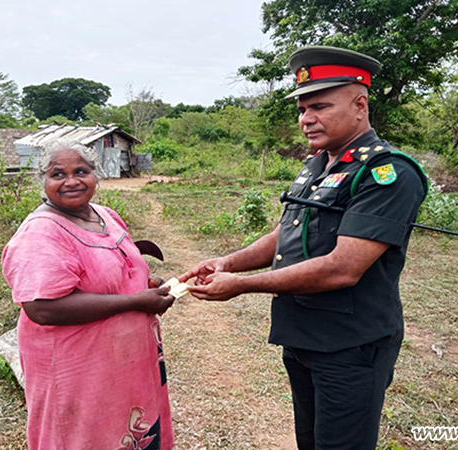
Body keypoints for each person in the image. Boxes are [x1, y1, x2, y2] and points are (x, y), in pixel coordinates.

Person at [179, 46, 428, 450]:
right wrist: (228, 262)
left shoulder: (386, 172)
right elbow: (286, 232)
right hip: (303, 335)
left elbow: (344, 267)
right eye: (302, 109)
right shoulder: (318, 164)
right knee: (310, 441)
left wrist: (243, 285)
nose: (306, 119)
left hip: (350, 344)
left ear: (360, 105)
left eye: (319, 107)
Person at [1, 138, 175, 450]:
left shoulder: (105, 215)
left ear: (96, 174)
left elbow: (112, 272)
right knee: (84, 436)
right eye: (58, 174)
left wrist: (143, 284)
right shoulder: (41, 233)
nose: (71, 181)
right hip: (78, 373)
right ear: (43, 181)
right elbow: (41, 308)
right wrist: (135, 301)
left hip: (124, 364)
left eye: (81, 171)